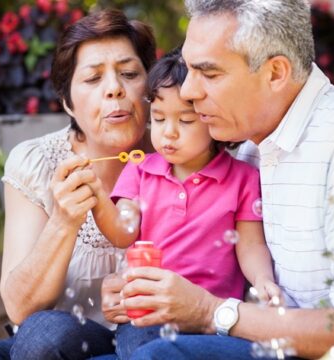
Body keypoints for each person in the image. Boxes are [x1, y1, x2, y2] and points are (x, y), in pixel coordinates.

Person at [100, 1, 334, 359]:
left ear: (275, 73)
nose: (188, 91)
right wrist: (138, 290)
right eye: (189, 70)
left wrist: (207, 311)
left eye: (210, 73)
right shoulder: (246, 140)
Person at [0, 9, 157, 360]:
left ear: (151, 86)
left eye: (130, 74)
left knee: (47, 334)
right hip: (44, 348)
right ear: (67, 103)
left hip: (143, 341)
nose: (114, 90)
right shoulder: (37, 162)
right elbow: (19, 308)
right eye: (93, 79)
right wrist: (63, 222)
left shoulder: (179, 156)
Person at [90, 48, 281, 359]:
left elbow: (250, 245)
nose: (169, 132)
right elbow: (124, 231)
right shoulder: (140, 170)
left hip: (208, 318)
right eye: (159, 118)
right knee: (145, 342)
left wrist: (263, 280)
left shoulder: (242, 178)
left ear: (211, 117)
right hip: (148, 311)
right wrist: (97, 196)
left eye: (186, 120)